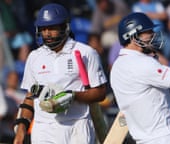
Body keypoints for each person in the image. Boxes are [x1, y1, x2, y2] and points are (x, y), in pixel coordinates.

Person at [13, 3, 107, 144]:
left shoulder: (86, 53)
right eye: (43, 29)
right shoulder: (34, 56)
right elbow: (30, 97)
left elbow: (100, 93)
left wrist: (72, 96)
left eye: (52, 28)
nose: (47, 33)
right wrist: (20, 132)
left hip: (77, 126)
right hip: (43, 129)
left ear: (65, 27)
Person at [110, 12, 170, 143]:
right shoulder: (143, 63)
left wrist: (168, 92)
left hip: (143, 139)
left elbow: (143, 95)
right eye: (148, 31)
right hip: (166, 138)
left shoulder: (117, 67)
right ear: (133, 37)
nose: (153, 34)